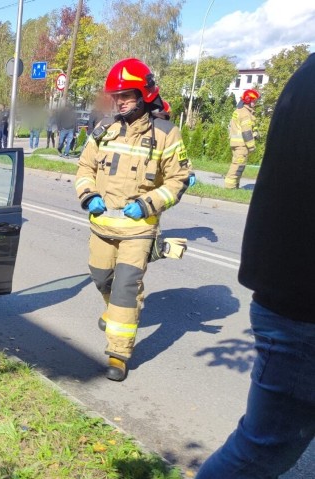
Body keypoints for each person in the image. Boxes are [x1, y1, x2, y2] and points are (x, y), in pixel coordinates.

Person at [195, 53, 315, 479]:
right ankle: (229, 182)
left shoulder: (305, 75)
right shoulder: (248, 112)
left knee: (266, 450)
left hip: (290, 298)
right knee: (261, 452)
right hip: (302, 307)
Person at [74, 58, 190, 381]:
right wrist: (88, 196)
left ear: (144, 95)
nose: (120, 102)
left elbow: (178, 180)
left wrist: (149, 203)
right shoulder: (103, 130)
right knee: (100, 277)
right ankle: (113, 312)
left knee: (126, 287)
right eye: (116, 96)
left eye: (126, 95)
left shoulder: (167, 134)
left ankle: (119, 353)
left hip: (138, 230)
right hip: (102, 226)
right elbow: (84, 168)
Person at [225, 88, 259, 189]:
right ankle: (229, 187)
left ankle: (235, 186)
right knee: (237, 166)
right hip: (242, 145)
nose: (255, 103)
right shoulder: (245, 114)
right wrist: (252, 147)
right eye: (254, 101)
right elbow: (246, 132)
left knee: (238, 165)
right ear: (249, 100)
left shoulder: (239, 111)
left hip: (236, 143)